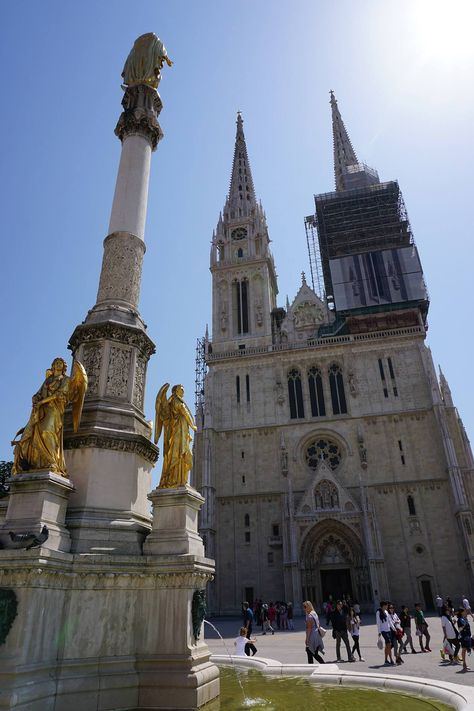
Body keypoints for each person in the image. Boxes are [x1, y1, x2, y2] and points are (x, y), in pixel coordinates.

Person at [12, 358, 87, 476]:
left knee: (47, 430)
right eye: (56, 363)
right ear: (53, 366)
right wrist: (35, 398)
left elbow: (59, 395)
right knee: (31, 433)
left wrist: (42, 402)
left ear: (64, 367)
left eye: (60, 363)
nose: (58, 365)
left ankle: (52, 461)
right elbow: (38, 393)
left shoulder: (66, 380)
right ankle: (37, 463)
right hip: (42, 410)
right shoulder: (48, 380)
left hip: (55, 409)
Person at [154, 384, 197, 488]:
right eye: (181, 389)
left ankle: (181, 479)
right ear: (176, 391)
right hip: (178, 431)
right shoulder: (176, 401)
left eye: (183, 389)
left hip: (182, 430)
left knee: (183, 454)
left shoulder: (177, 400)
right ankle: (176, 479)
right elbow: (185, 412)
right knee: (179, 453)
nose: (183, 391)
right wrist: (193, 426)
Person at [376, 601, 395, 665]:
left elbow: (389, 621)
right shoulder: (378, 612)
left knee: (388, 646)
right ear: (383, 606)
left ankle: (386, 660)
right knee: (389, 644)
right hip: (383, 631)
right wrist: (379, 632)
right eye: (386, 605)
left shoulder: (386, 612)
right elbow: (378, 623)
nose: (387, 607)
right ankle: (391, 660)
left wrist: (394, 629)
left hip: (388, 630)